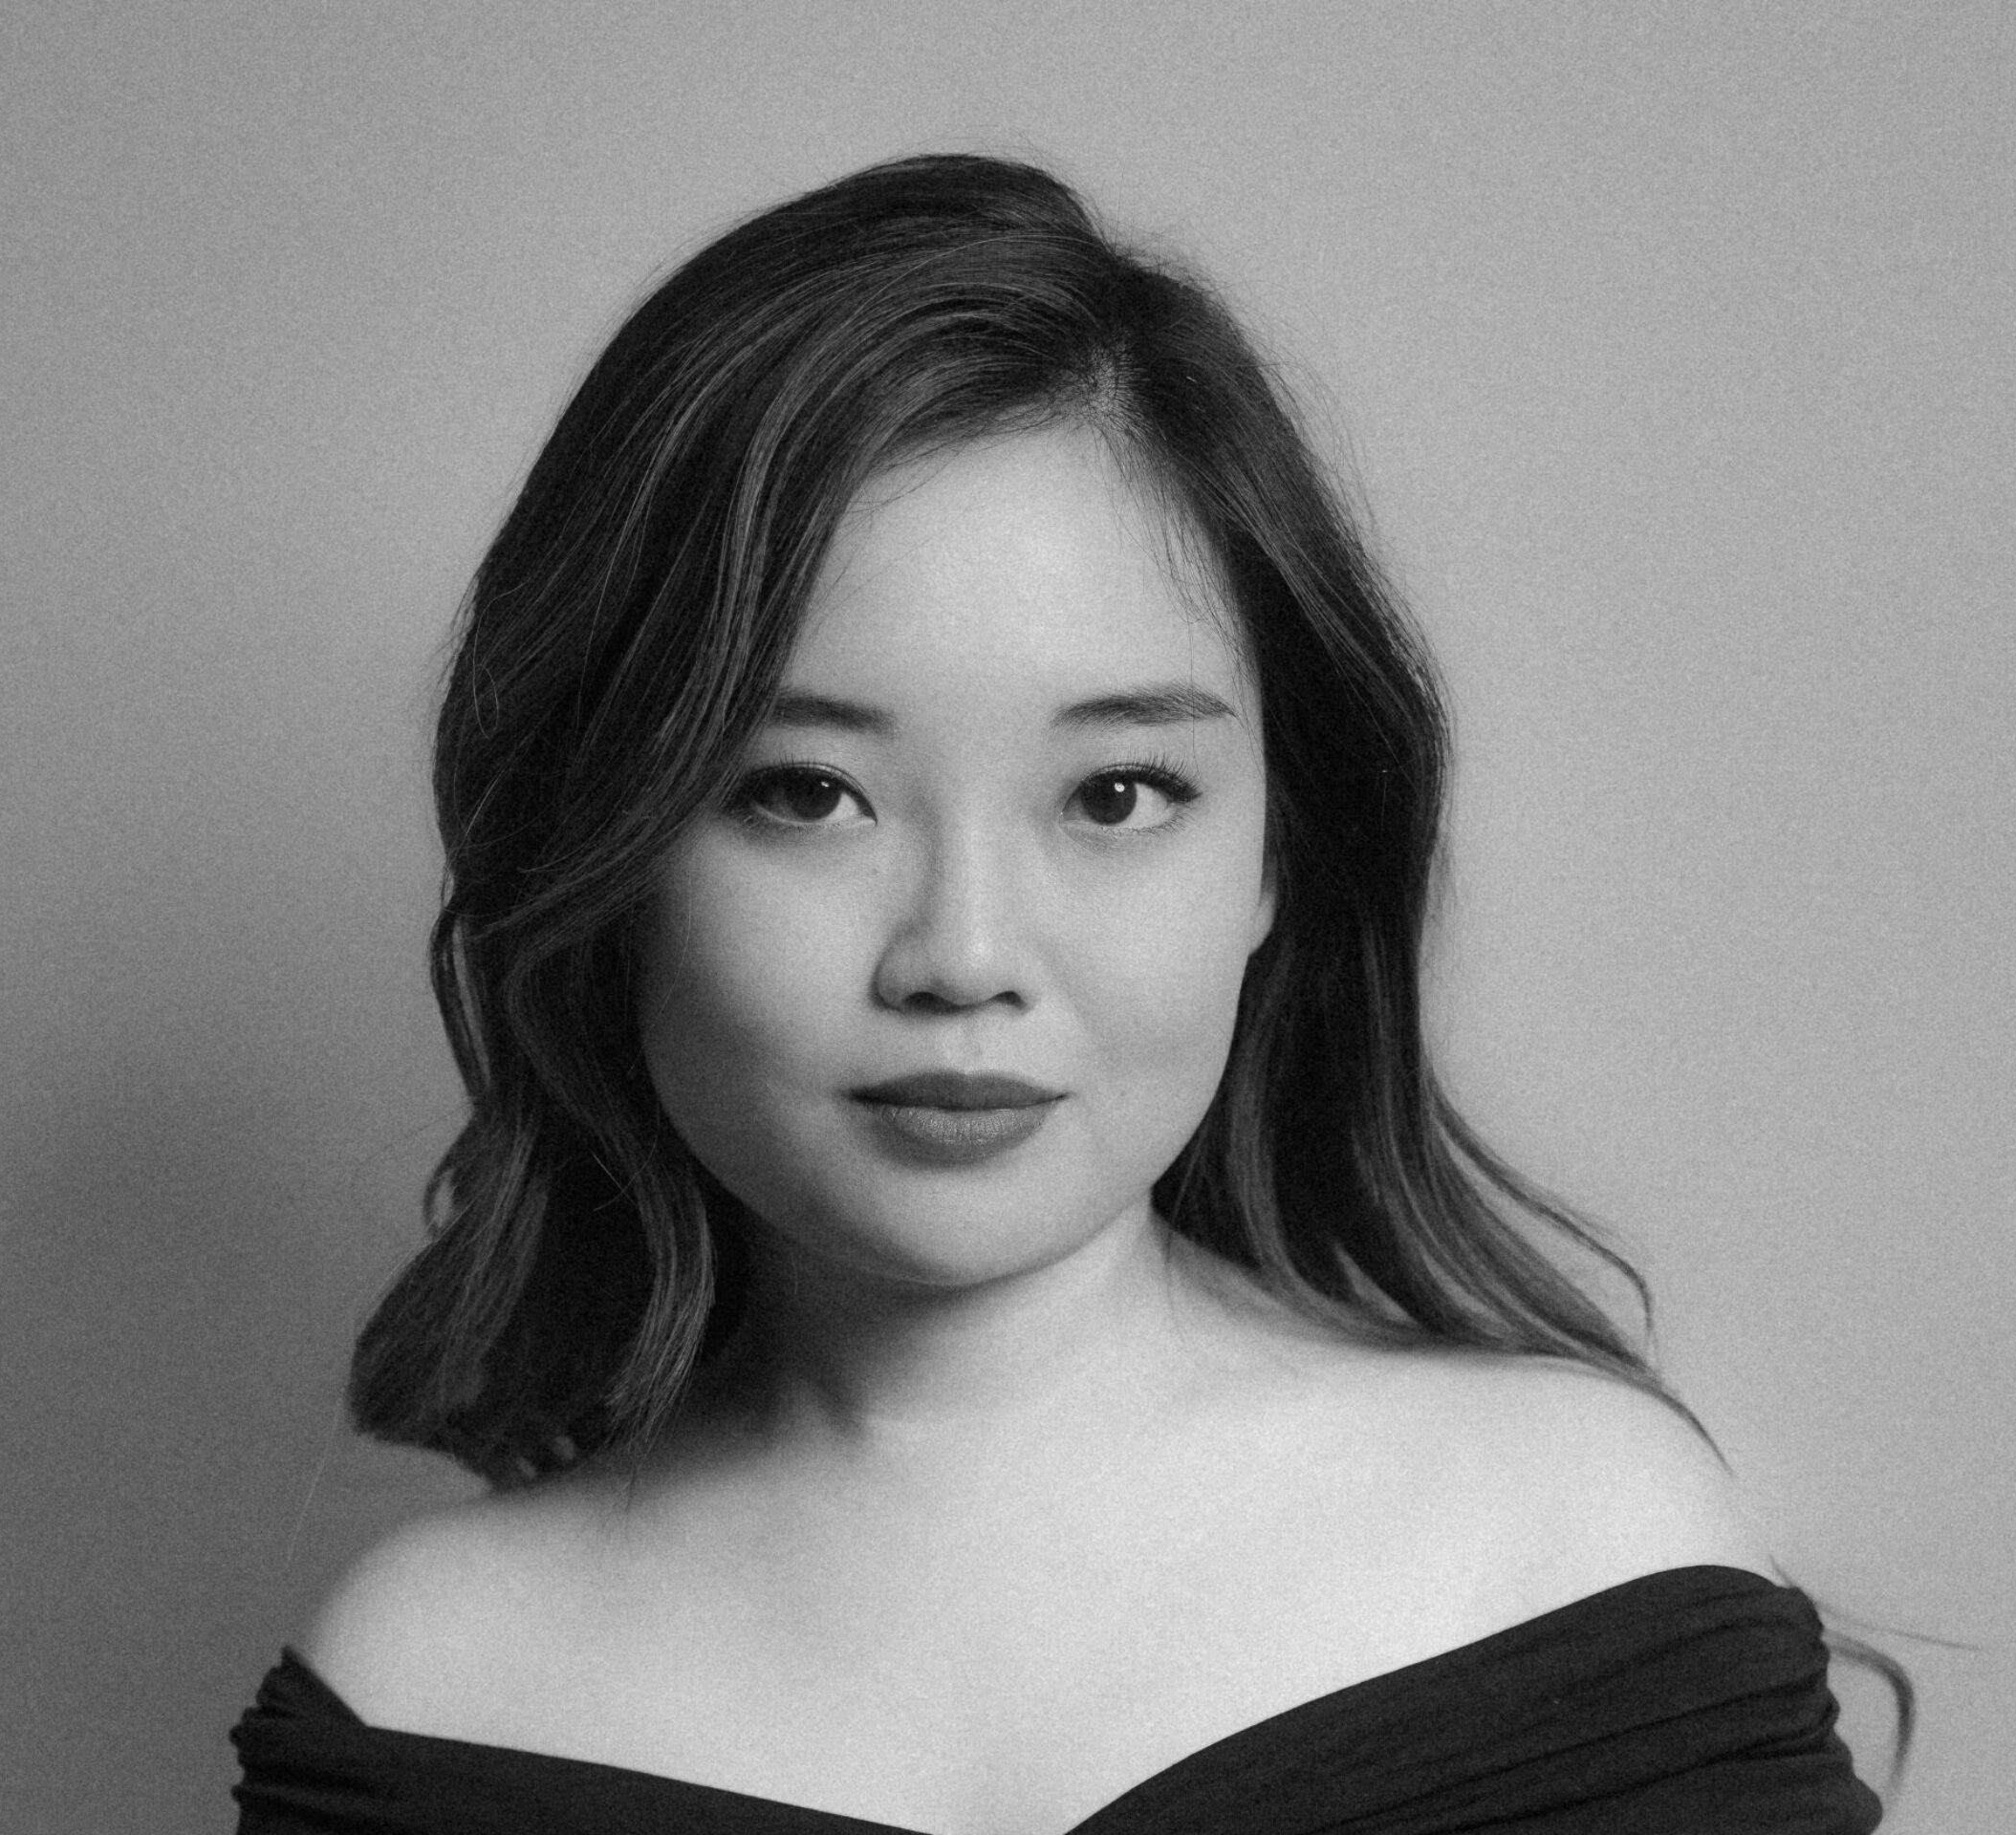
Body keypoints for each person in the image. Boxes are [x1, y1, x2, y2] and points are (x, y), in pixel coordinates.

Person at [229, 153, 1902, 1834]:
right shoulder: (427, 1694)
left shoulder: (1586, 1562)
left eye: (1114, 797)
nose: (963, 957)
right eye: (804, 792)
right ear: (604, 854)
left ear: (1276, 860)